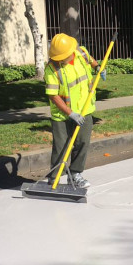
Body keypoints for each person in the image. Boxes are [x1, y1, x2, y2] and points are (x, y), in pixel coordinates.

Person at [44, 33, 105, 188]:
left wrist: (98, 68)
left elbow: (93, 62)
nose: (57, 59)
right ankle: (54, 177)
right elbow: (53, 95)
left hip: (84, 109)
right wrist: (70, 113)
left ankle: (76, 173)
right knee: (61, 146)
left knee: (82, 142)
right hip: (62, 114)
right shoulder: (52, 69)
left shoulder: (81, 53)